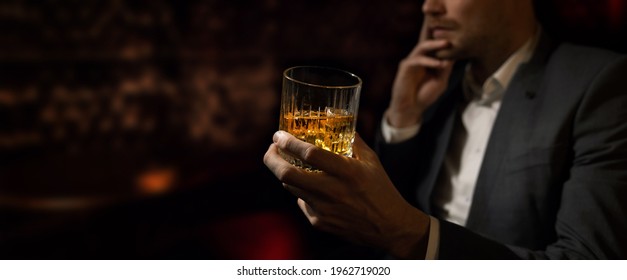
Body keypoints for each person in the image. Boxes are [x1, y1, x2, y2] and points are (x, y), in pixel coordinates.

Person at [263, 0, 627, 259]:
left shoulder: (599, 81)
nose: (429, 6)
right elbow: (372, 230)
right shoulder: (432, 89)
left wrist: (411, 235)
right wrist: (403, 119)